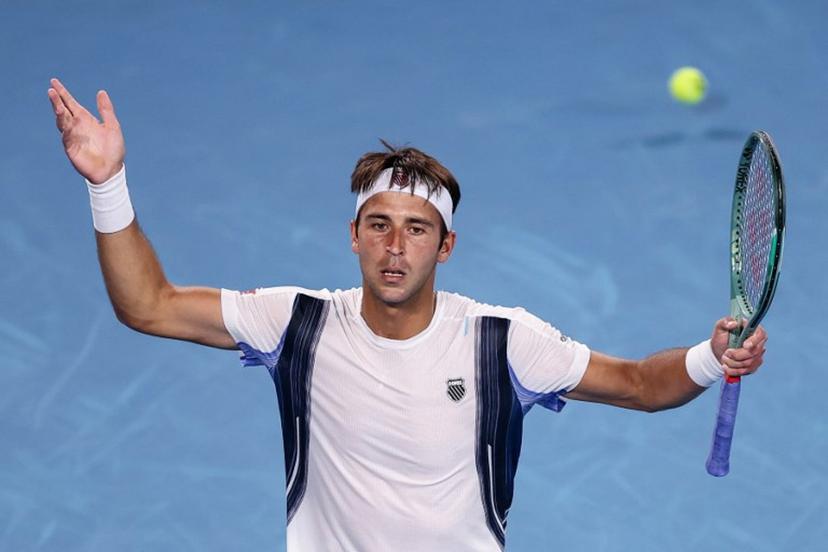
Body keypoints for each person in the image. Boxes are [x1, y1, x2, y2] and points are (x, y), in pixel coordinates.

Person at [47, 77, 767, 552]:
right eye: (379, 225)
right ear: (353, 236)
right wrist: (108, 184)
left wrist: (711, 358)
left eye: (417, 229)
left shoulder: (500, 343)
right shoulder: (295, 325)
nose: (395, 247)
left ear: (446, 246)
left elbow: (640, 383)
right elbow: (149, 306)